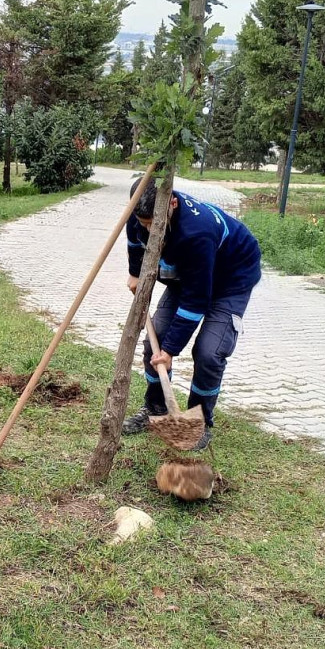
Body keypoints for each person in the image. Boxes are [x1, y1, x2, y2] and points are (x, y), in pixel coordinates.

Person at [122, 177, 261, 450]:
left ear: (172, 203)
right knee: (155, 340)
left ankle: (200, 423)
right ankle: (156, 409)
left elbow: (196, 301)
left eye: (154, 224)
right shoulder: (139, 214)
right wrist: (134, 273)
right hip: (189, 275)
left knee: (209, 352)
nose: (149, 230)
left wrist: (171, 351)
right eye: (144, 223)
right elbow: (136, 245)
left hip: (231, 280)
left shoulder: (196, 232)